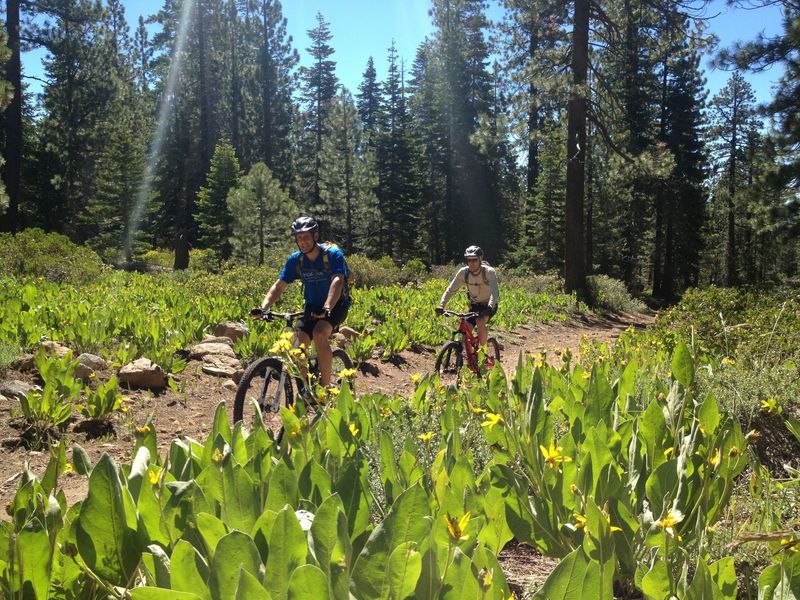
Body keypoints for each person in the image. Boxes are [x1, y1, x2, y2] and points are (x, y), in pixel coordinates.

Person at [259, 216, 350, 388]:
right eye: (299, 238)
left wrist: (327, 307)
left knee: (320, 333)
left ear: (315, 236)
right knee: (299, 340)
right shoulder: (296, 260)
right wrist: (263, 307)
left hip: (336, 305)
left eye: (306, 237)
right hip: (312, 306)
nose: (303, 242)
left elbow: (338, 281)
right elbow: (278, 287)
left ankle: (325, 388)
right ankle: (305, 388)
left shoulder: (332, 255)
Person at [436, 245, 499, 348]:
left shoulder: (489, 272)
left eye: (474, 260)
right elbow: (451, 290)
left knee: (480, 321)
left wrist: (489, 307)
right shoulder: (463, 273)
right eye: (469, 260)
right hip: (474, 305)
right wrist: (441, 305)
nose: (472, 263)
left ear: (480, 259)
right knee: (466, 327)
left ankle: (483, 352)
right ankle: (471, 358)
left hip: (489, 305)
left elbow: (494, 292)